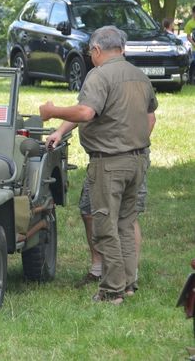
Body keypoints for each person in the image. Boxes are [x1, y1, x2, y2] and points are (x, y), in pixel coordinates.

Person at [39, 26, 158, 305]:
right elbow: (150, 119)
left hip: (109, 163)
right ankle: (128, 283)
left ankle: (112, 290)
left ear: (96, 50)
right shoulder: (139, 75)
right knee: (126, 224)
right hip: (138, 160)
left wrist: (51, 112)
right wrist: (62, 130)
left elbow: (86, 111)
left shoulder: (99, 75)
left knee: (105, 225)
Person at [76, 147, 152, 289]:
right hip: (103, 157)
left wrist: (131, 146)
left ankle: (123, 281)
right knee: (89, 211)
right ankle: (100, 270)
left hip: (122, 158)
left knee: (126, 218)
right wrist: (61, 132)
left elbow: (87, 122)